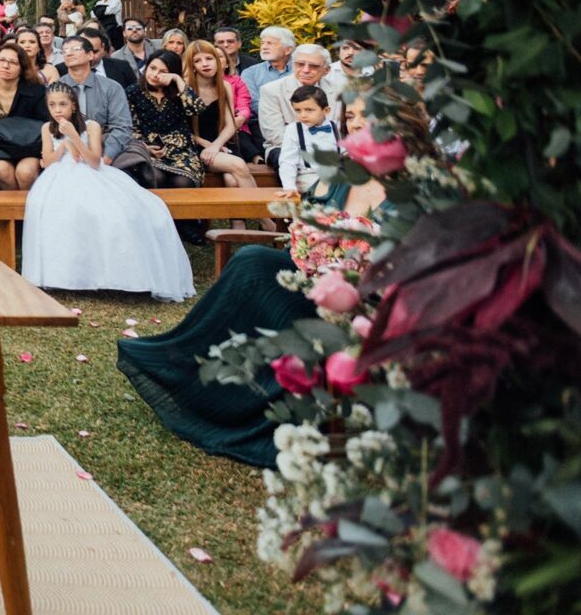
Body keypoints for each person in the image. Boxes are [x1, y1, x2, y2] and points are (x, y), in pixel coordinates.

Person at [117, 89, 397, 466]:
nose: (357, 123)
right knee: (251, 260)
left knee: (266, 277)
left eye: (369, 116)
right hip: (316, 280)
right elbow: (310, 221)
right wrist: (309, 236)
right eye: (352, 117)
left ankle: (257, 407)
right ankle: (184, 364)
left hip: (368, 303)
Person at [21, 84, 194, 300]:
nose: (58, 110)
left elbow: (94, 162)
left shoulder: (91, 126)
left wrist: (74, 136)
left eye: (63, 104)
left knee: (115, 213)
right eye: (53, 105)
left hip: (90, 173)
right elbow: (47, 162)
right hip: (57, 178)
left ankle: (112, 274)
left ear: (73, 106)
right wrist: (64, 146)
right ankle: (63, 276)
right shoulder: (47, 128)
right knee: (58, 212)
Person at [58, 29, 150, 183]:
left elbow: (122, 127)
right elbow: (51, 126)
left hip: (105, 144)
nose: (69, 53)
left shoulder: (111, 87)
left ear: (90, 55)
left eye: (75, 49)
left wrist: (107, 157)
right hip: (68, 146)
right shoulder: (56, 88)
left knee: (128, 173)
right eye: (65, 50)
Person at [127, 51, 212, 186]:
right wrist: (145, 147)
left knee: (183, 182)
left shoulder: (178, 91)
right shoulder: (133, 92)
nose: (155, 74)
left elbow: (197, 109)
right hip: (151, 151)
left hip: (182, 152)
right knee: (154, 176)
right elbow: (131, 126)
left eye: (163, 71)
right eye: (152, 68)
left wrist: (178, 80)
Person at [181, 40, 257, 185]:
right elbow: (178, 128)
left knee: (232, 180)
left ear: (217, 60)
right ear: (192, 65)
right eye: (198, 60)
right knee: (239, 166)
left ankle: (245, 208)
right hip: (193, 145)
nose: (205, 64)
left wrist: (216, 145)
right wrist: (208, 146)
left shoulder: (225, 86)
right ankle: (262, 208)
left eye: (209, 58)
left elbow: (230, 125)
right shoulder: (184, 86)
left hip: (221, 143)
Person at [0, 43, 49, 190]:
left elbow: (44, 122)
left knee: (26, 172)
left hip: (27, 145)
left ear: (22, 67)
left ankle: (29, 211)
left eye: (13, 62)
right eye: (2, 60)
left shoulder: (36, 90)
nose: (6, 66)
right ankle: (11, 212)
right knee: (1, 170)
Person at [258, 43, 342, 166]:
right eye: (300, 64)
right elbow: (275, 135)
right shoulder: (271, 90)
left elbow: (343, 130)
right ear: (292, 65)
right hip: (286, 147)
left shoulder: (339, 92)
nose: (306, 70)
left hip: (331, 147)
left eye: (313, 66)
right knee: (288, 160)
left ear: (326, 70)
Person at [277, 84, 341, 200]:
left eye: (309, 110)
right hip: (309, 175)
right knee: (323, 191)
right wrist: (289, 186)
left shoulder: (338, 128)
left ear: (326, 110)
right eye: (298, 110)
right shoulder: (293, 130)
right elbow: (288, 161)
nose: (303, 115)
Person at [239, 27, 296, 114]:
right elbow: (254, 104)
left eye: (270, 43)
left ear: (288, 50)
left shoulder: (301, 70)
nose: (264, 47)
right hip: (263, 122)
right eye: (262, 43)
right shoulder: (250, 73)